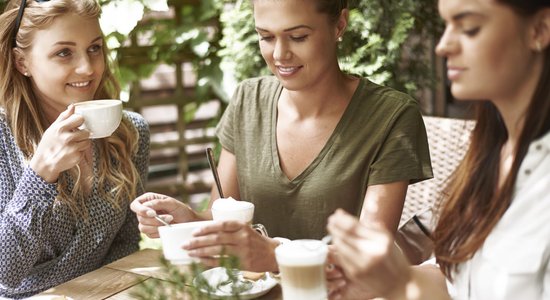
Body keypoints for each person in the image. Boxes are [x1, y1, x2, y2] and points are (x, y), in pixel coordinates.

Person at [131, 0, 432, 272]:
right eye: (266, 36)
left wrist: (276, 254)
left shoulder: (391, 116)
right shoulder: (248, 99)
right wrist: (189, 221)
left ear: (339, 24)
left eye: (298, 37)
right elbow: (223, 216)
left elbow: (371, 255)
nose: (279, 54)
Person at [327, 0, 550, 299]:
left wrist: (400, 285)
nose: (443, 46)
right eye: (446, 25)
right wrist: (393, 279)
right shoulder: (490, 156)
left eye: (469, 28)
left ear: (540, 29)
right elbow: (454, 283)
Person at [0, 0, 150, 298]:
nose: (88, 67)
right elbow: (5, 274)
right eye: (64, 52)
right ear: (22, 62)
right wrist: (40, 175)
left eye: (94, 48)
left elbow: (125, 246)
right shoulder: (3, 142)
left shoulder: (130, 133)